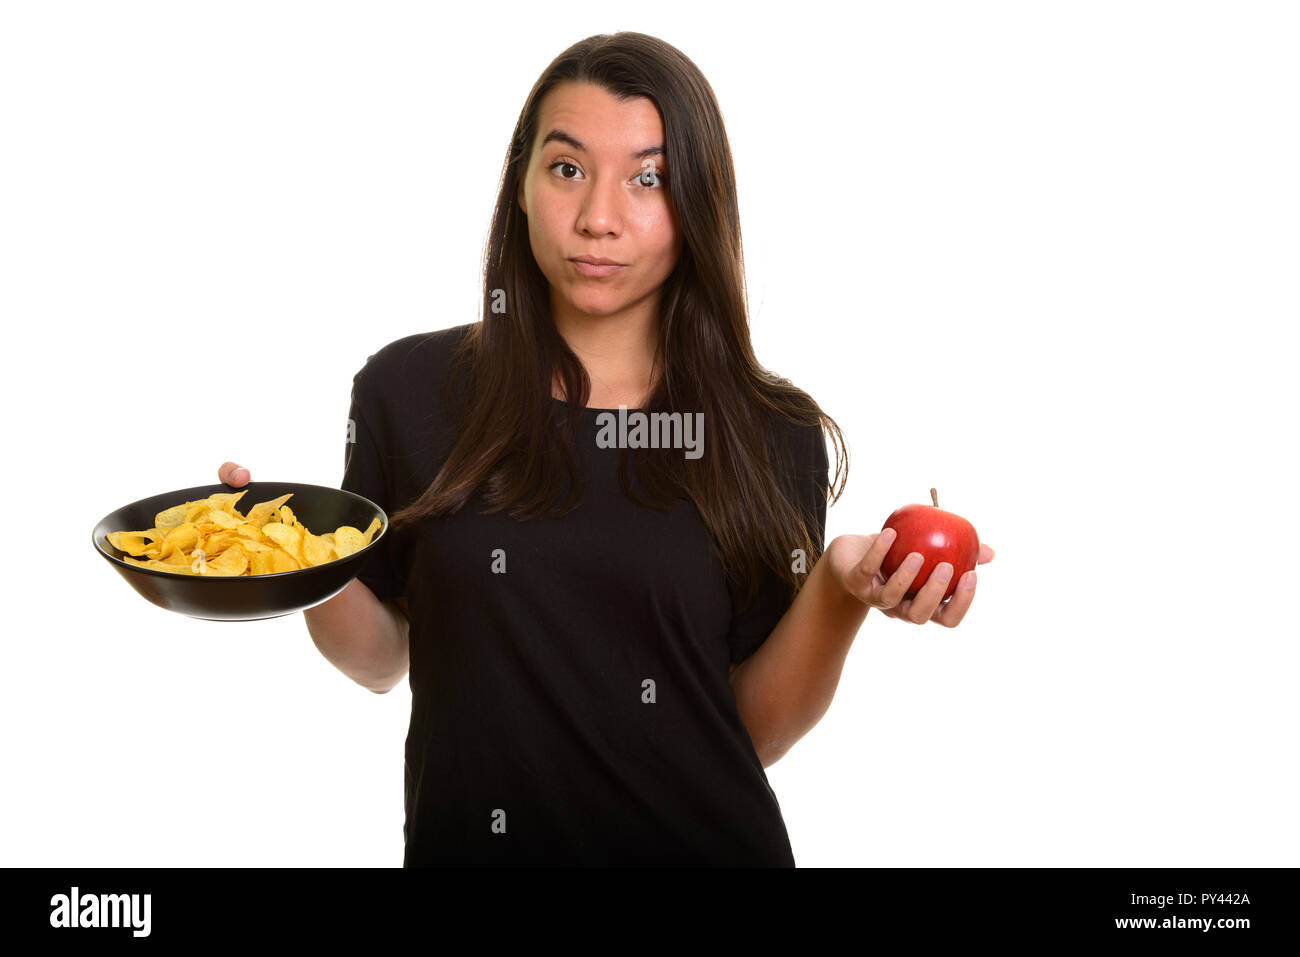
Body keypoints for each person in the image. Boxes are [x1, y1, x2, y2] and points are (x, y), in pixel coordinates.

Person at [218, 32, 995, 867]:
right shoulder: (405, 390)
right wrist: (289, 557)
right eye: (566, 168)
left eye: (648, 178)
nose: (598, 217)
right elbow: (380, 660)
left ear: (698, 200)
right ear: (520, 183)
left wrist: (843, 584)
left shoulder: (770, 429)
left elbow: (751, 734)